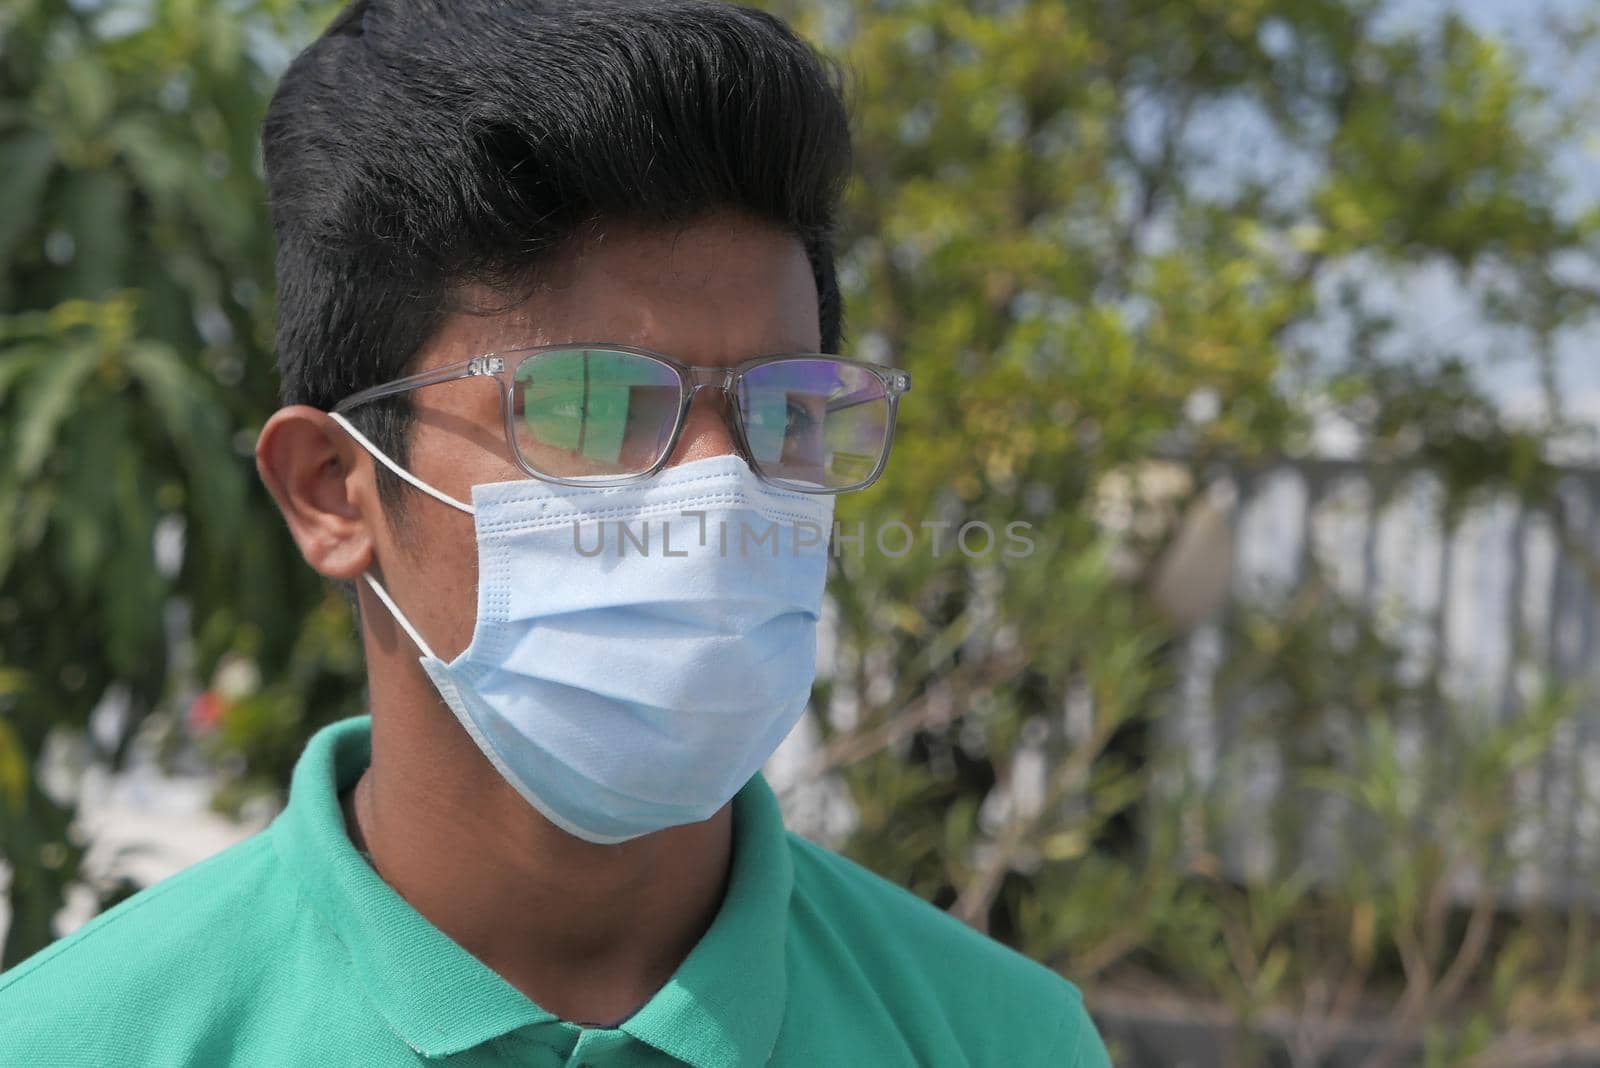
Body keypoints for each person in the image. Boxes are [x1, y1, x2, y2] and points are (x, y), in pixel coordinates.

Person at [0, 2, 1112, 1064]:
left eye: (789, 409)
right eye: (588, 405)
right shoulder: (74, 1042)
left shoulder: (1000, 1040)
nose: (722, 492)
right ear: (332, 492)